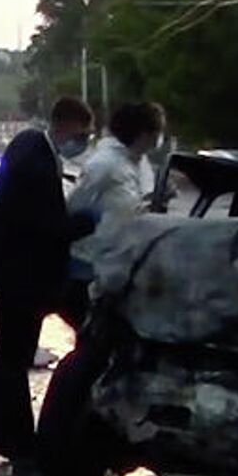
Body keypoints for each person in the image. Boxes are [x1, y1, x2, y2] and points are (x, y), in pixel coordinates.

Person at [0, 97, 97, 464]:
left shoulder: (30, 146)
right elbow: (46, 226)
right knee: (12, 356)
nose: (83, 141)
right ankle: (15, 440)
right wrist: (87, 222)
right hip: (19, 276)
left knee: (8, 355)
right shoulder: (36, 159)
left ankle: (6, 433)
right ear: (67, 124)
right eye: (82, 133)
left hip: (11, 272)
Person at [60, 101, 167, 326]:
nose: (159, 138)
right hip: (92, 266)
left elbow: (134, 207)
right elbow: (75, 206)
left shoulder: (139, 163)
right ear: (143, 134)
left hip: (125, 265)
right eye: (157, 131)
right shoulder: (105, 164)